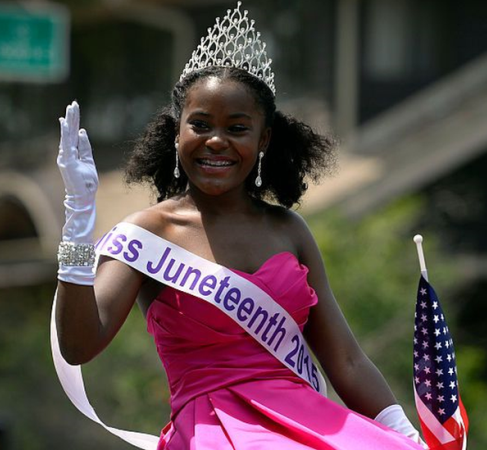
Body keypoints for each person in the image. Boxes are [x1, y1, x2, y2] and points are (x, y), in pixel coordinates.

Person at [52, 4, 426, 449]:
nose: (216, 140)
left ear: (262, 139)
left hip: (310, 427)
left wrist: (406, 436)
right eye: (201, 124)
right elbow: (78, 345)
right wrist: (77, 222)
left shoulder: (289, 230)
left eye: (237, 127)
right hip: (211, 432)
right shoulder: (148, 234)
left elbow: (345, 359)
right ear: (177, 133)